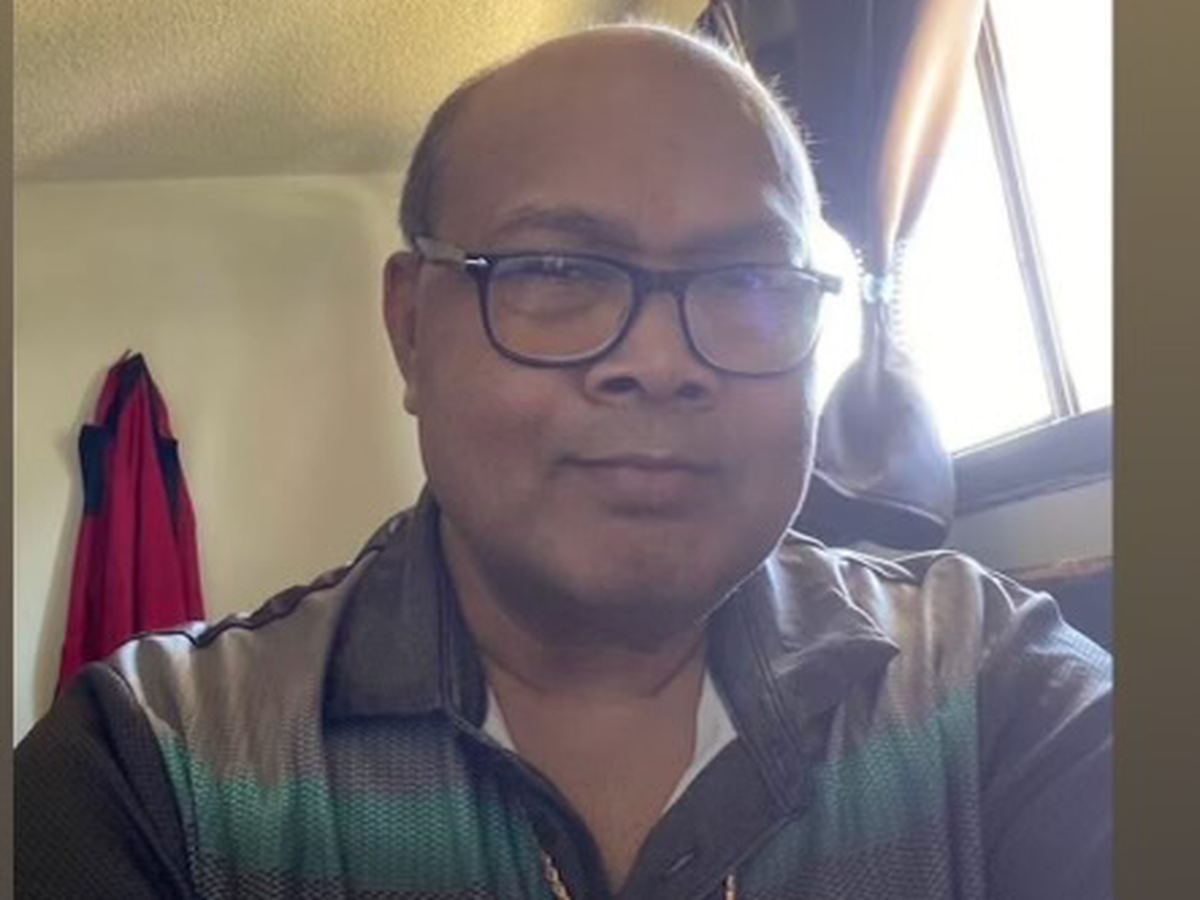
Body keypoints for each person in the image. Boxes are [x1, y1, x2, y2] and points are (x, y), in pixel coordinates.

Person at [15, 22, 1112, 900]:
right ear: (411, 328)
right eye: (556, 270)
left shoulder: (994, 688)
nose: (660, 362)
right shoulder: (154, 769)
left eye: (747, 282)